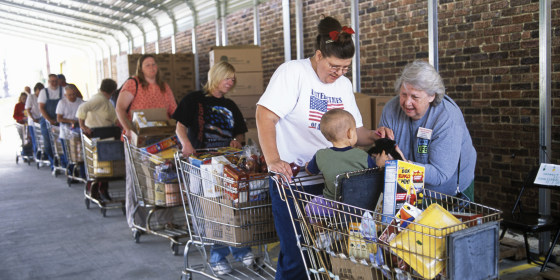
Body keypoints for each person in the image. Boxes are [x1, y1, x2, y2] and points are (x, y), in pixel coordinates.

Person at [255, 16, 389, 280]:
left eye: (346, 67)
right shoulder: (293, 72)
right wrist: (273, 160)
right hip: (294, 181)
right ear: (318, 55)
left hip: (332, 184)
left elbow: (355, 134)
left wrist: (375, 135)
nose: (339, 73)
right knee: (297, 255)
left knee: (328, 255)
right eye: (334, 66)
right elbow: (264, 116)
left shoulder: (344, 85)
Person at [173, 61, 252, 275]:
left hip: (225, 165)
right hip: (200, 165)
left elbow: (240, 133)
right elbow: (180, 126)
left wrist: (237, 141)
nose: (231, 82)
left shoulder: (231, 106)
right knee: (211, 212)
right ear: (216, 76)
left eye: (233, 79)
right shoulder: (194, 100)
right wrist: (186, 144)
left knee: (231, 209)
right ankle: (218, 257)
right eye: (227, 77)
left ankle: (240, 249)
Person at [379, 60, 476, 201]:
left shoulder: (447, 118)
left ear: (432, 96)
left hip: (448, 191)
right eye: (403, 94)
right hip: (405, 185)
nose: (407, 102)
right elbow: (382, 152)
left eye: (415, 97)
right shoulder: (391, 109)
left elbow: (440, 174)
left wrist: (403, 165)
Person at [116, 54, 178, 232]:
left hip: (161, 141)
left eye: (154, 64)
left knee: (164, 179)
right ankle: (137, 222)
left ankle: (166, 220)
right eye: (147, 65)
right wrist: (129, 130)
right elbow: (120, 108)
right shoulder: (133, 84)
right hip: (138, 140)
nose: (152, 67)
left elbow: (173, 110)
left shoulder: (164, 87)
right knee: (137, 180)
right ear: (140, 69)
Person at [76, 78, 119, 201]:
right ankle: (98, 189)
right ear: (112, 91)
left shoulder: (105, 101)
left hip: (106, 133)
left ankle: (100, 189)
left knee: (104, 165)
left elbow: (113, 118)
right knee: (102, 165)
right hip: (99, 134)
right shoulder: (99, 99)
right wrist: (82, 126)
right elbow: (82, 108)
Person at [38, 74, 63, 170]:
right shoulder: (44, 92)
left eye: (55, 81)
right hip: (47, 120)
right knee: (48, 144)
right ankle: (53, 162)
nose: (54, 83)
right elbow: (41, 108)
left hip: (60, 119)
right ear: (48, 82)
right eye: (52, 81)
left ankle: (62, 162)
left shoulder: (62, 90)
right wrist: (50, 120)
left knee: (62, 143)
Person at [56, 84, 84, 169]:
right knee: (68, 154)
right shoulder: (62, 103)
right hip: (65, 131)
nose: (72, 96)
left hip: (78, 131)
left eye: (73, 94)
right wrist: (70, 121)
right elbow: (59, 119)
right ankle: (71, 173)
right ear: (65, 95)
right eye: (69, 95)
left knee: (80, 154)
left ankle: (82, 173)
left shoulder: (81, 102)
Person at [26, 83, 44, 157]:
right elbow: (28, 109)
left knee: (42, 140)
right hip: (33, 122)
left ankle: (43, 155)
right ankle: (37, 156)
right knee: (35, 140)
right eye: (40, 90)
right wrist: (33, 119)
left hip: (41, 121)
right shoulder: (31, 97)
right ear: (36, 90)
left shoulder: (43, 97)